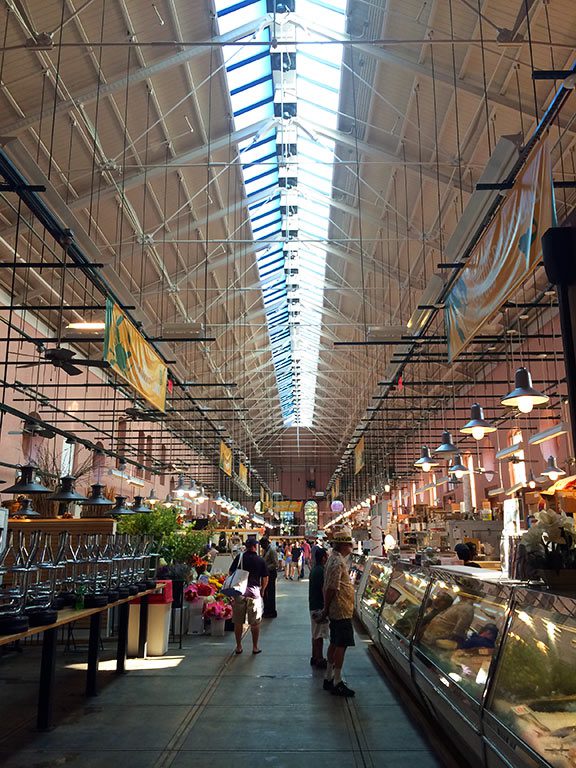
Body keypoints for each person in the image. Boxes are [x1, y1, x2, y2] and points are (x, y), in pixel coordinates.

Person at [321, 527, 356, 697]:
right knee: (341, 645)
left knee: (334, 643)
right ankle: (337, 681)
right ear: (343, 546)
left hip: (339, 609)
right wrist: (326, 609)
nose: (352, 547)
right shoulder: (337, 562)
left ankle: (328, 677)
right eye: (350, 544)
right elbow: (332, 588)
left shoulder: (334, 559)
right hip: (340, 610)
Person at [229, 538, 268, 654]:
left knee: (238, 622)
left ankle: (239, 646)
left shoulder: (239, 558)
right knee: (255, 622)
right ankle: (255, 647)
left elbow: (231, 572)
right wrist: (262, 590)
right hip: (254, 593)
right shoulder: (260, 560)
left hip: (239, 592)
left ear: (246, 546)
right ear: (255, 546)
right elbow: (265, 578)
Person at [308, 547, 328, 668]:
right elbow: (323, 590)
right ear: (323, 558)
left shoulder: (315, 569)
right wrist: (326, 606)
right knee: (319, 634)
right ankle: (319, 658)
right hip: (318, 606)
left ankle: (314, 656)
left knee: (315, 633)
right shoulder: (320, 571)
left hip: (313, 604)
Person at [260, 537, 278, 618]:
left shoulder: (272, 551)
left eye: (262, 544)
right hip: (266, 574)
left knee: (270, 593)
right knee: (266, 592)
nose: (261, 546)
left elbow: (275, 564)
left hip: (271, 574)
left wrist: (265, 567)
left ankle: (271, 611)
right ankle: (267, 610)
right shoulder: (265, 550)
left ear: (266, 543)